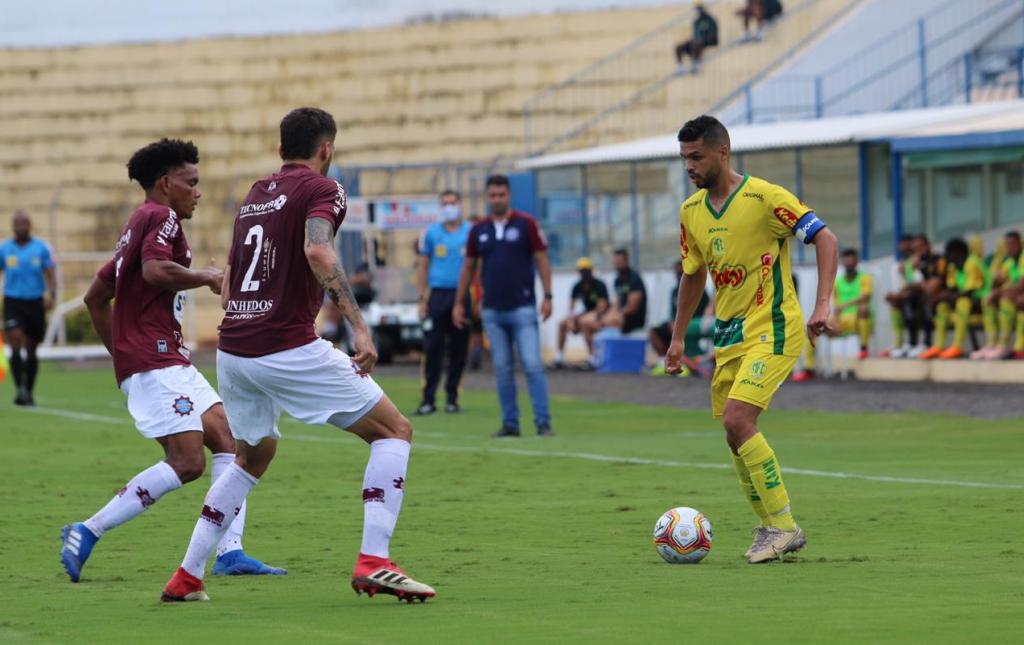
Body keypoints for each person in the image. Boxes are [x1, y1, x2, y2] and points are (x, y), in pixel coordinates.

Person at [161, 108, 434, 603]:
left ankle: (187, 576)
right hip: (283, 344)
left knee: (252, 455)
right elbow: (319, 252)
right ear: (325, 149)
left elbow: (230, 283)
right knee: (394, 430)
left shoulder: (256, 194)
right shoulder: (323, 189)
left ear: (280, 147)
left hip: (235, 348)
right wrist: (359, 326)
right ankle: (375, 559)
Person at [61, 139, 282, 584]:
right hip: (156, 361)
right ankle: (87, 529)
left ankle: (230, 551)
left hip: (164, 359)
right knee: (188, 462)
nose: (197, 192)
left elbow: (95, 297)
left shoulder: (136, 225)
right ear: (166, 183)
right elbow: (154, 272)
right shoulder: (159, 217)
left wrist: (121, 354)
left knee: (227, 437)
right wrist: (207, 277)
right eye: (191, 182)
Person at [666, 115, 838, 564]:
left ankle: (783, 526)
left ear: (722, 152)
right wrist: (678, 338)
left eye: (697, 157)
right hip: (730, 336)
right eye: (684, 158)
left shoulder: (765, 198)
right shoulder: (691, 213)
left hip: (775, 327)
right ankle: (769, 526)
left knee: (739, 420)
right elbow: (692, 275)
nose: (689, 167)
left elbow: (825, 239)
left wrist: (823, 304)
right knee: (732, 433)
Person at [453, 174, 554, 438]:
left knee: (532, 365)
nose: (497, 199)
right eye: (493, 195)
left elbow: (542, 260)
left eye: (501, 194)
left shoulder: (526, 224)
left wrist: (548, 295)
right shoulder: (479, 230)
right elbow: (468, 268)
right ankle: (511, 423)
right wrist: (459, 303)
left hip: (523, 307)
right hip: (492, 311)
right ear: (488, 198)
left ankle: (543, 422)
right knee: (503, 369)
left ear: (509, 196)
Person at [414, 189, 472, 415]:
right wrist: (421, 298)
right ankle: (428, 398)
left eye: (453, 203)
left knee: (459, 349)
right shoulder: (431, 233)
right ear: (440, 208)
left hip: (462, 296)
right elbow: (423, 266)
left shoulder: (470, 232)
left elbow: (477, 265)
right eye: (445, 203)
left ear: (460, 205)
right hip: (436, 296)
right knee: (432, 348)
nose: (449, 207)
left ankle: (452, 397)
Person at [1, 210, 56, 406]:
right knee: (15, 339)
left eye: (24, 223)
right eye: (17, 223)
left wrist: (51, 294)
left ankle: (29, 390)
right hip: (13, 301)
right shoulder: (5, 249)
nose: (21, 226)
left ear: (30, 225)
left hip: (35, 302)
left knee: (31, 348)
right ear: (13, 226)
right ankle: (20, 389)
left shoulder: (41, 248)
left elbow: (50, 273)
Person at [921, 237, 988, 360]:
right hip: (966, 299)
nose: (947, 256)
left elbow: (970, 291)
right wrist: (939, 298)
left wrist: (947, 296)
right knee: (942, 305)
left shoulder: (972, 263)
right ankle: (939, 345)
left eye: (949, 253)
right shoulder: (954, 267)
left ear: (959, 252)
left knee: (962, 302)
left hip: (982, 300)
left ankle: (957, 346)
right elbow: (952, 289)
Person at [649, 259, 713, 376]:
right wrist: (674, 327)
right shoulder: (674, 291)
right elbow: (673, 314)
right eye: (677, 272)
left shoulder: (699, 289)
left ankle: (694, 367)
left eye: (681, 272)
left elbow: (706, 314)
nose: (679, 275)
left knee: (680, 339)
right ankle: (664, 362)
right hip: (678, 323)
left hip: (694, 322)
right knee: (655, 332)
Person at [553, 256, 610, 368]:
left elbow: (601, 308)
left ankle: (592, 357)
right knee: (562, 324)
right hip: (585, 315)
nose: (584, 274)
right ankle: (559, 356)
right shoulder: (577, 286)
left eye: (586, 271)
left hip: (601, 316)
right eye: (582, 271)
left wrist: (581, 318)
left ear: (591, 271)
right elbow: (572, 308)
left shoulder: (599, 285)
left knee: (584, 323)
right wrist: (571, 318)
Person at [973, 231, 1021, 359]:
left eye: (1012, 244)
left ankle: (1003, 345)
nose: (1009, 248)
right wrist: (996, 280)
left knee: (1006, 300)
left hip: (1018, 297)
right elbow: (997, 282)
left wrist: (999, 292)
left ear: (1020, 243)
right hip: (1016, 297)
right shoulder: (1009, 262)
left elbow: (1021, 284)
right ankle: (991, 343)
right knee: (988, 300)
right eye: (1007, 245)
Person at [596, 248, 647, 335]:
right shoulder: (618, 280)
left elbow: (632, 308)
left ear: (626, 260)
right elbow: (616, 303)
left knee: (606, 322)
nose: (616, 264)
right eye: (615, 261)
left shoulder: (634, 279)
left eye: (619, 261)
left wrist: (614, 316)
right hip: (621, 316)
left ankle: (613, 347)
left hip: (634, 319)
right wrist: (607, 315)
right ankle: (593, 349)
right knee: (593, 322)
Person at [880, 234, 914, 357]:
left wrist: (899, 295)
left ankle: (911, 343)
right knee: (895, 303)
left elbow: (916, 283)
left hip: (918, 297)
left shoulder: (915, 261)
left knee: (906, 301)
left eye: (904, 243)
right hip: (909, 294)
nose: (900, 247)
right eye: (900, 244)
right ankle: (898, 342)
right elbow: (907, 283)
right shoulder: (903, 263)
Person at [674, 2, 718, 73]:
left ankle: (696, 64)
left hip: (708, 41)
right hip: (696, 42)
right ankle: (680, 67)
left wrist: (701, 39)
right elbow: (695, 35)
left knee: (696, 43)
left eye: (699, 9)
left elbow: (713, 35)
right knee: (678, 46)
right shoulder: (696, 21)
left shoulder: (710, 20)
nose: (698, 12)